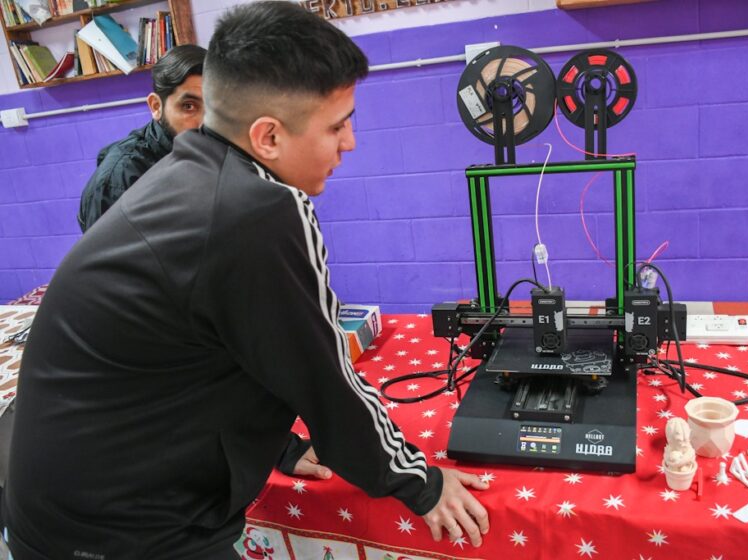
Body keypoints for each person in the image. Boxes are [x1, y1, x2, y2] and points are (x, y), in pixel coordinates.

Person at [1, 3, 489, 559]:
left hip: (57, 509)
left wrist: (279, 445)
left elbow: (206, 352)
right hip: (124, 529)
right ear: (268, 137)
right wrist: (421, 484)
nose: (349, 142)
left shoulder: (187, 173)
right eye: (337, 125)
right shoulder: (260, 209)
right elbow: (325, 380)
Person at [76, 44, 206, 232]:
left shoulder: (210, 152)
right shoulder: (120, 178)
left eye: (213, 106)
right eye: (188, 106)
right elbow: (107, 251)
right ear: (156, 106)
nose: (204, 122)